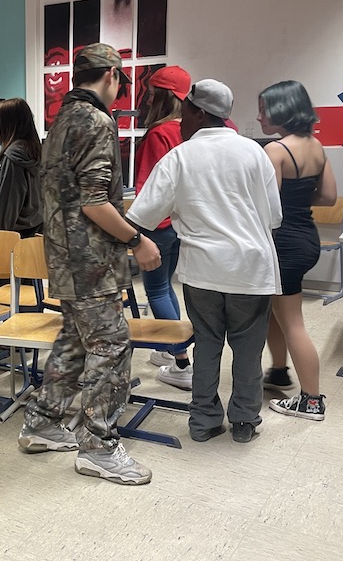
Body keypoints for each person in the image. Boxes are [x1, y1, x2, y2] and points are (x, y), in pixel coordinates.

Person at [18, 43, 161, 485]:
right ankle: (98, 447)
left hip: (64, 258)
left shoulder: (60, 121)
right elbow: (94, 202)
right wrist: (137, 240)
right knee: (112, 346)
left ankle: (42, 423)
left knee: (74, 342)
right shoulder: (97, 121)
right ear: (112, 76)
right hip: (91, 263)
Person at [127, 79, 282, 444]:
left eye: (184, 112)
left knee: (208, 345)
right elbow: (274, 216)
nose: (180, 120)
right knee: (248, 350)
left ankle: (204, 422)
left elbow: (141, 216)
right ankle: (244, 422)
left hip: (202, 272)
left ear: (198, 113)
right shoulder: (254, 152)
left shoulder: (179, 157)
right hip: (251, 270)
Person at [258, 80, 337, 420]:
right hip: (307, 238)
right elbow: (328, 197)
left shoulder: (275, 151)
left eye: (264, 110)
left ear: (282, 110)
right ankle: (278, 370)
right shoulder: (316, 146)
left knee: (293, 322)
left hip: (284, 244)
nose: (259, 117)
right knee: (277, 309)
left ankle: (311, 400)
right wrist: (298, 198)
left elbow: (267, 207)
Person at [133, 65, 193, 389]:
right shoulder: (188, 130)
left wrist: (136, 231)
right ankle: (169, 348)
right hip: (179, 223)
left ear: (163, 97)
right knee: (166, 286)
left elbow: (148, 188)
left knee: (155, 290)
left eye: (151, 93)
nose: (147, 99)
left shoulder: (159, 134)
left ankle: (181, 362)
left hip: (157, 225)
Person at [0, 98, 43, 237]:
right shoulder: (36, 152)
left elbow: (7, 206)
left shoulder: (13, 157)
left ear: (10, 121)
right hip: (36, 235)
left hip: (15, 238)